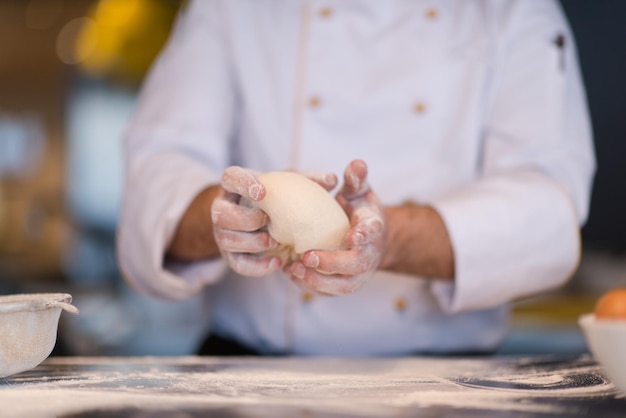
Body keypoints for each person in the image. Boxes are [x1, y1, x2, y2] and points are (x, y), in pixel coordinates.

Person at [117, 0, 595, 356]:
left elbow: (548, 212)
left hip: (444, 388)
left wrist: (389, 237)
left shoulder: (512, 10)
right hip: (248, 380)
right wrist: (227, 220)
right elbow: (158, 175)